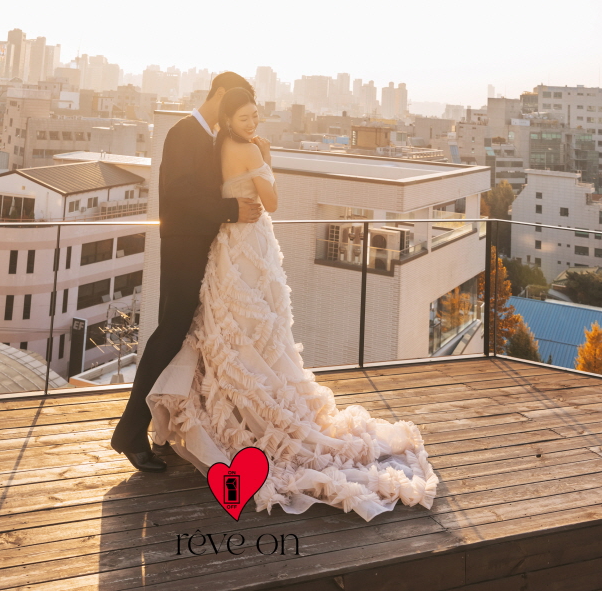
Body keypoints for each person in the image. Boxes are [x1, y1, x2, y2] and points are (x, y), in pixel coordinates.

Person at [146, 87, 437, 520]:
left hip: (226, 245)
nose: (252, 123)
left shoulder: (218, 146)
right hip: (249, 244)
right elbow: (272, 202)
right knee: (255, 326)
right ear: (230, 118)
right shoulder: (247, 149)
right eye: (245, 117)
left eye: (255, 116)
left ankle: (234, 411)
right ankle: (255, 413)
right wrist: (266, 159)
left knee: (231, 326)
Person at [110, 72, 261, 471]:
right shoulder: (183, 132)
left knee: (187, 337)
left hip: (203, 248)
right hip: (182, 247)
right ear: (220, 94)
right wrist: (231, 210)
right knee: (169, 334)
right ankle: (129, 432)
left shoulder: (211, 137)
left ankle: (171, 427)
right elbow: (179, 193)